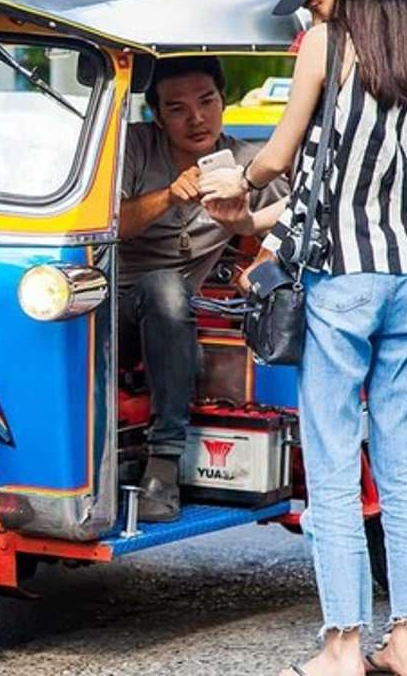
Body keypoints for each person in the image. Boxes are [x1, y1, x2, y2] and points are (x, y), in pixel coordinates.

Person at [227, 0, 407, 676]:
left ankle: (342, 645)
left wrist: (244, 180)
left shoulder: (328, 41)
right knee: (404, 467)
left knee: (332, 467)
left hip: (343, 283)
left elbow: (281, 152)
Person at [118, 55, 288, 522]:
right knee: (162, 288)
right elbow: (112, 224)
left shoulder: (246, 164)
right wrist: (170, 194)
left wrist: (259, 259)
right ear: (157, 115)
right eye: (177, 108)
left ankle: (163, 465)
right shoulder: (135, 146)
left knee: (170, 292)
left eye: (207, 101)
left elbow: (298, 214)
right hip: (114, 309)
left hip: (176, 312)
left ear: (223, 102)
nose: (196, 118)